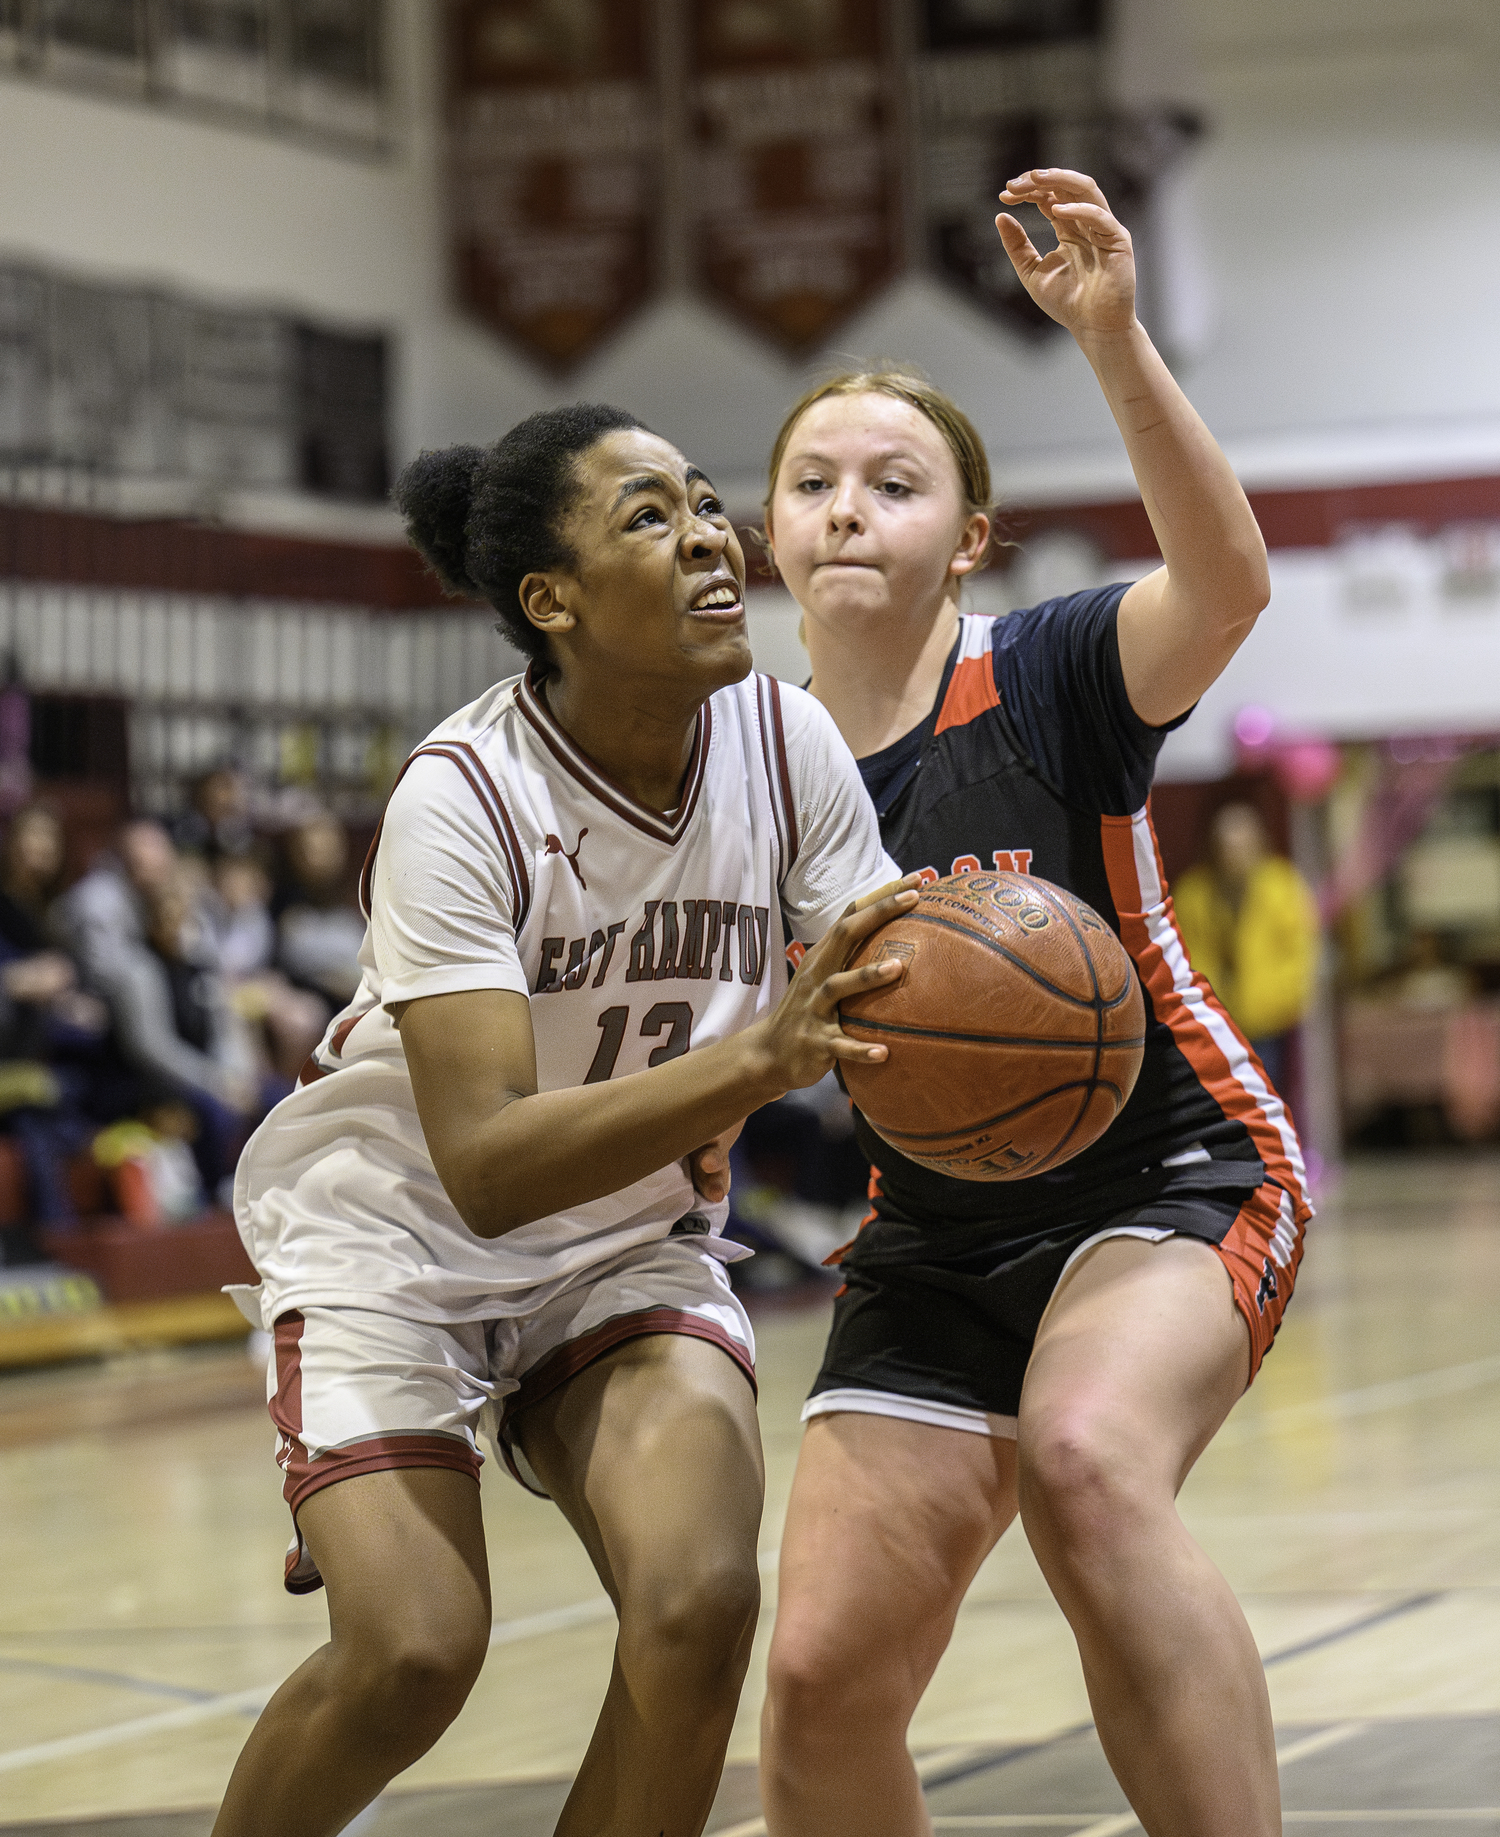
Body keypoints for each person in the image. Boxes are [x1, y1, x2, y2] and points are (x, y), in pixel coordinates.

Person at [212, 404, 911, 1837]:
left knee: (700, 1604)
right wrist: (749, 1067)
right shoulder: (462, 796)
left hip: (621, 1247)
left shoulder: (788, 745)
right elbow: (483, 1166)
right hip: (395, 1245)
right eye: (651, 517)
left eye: (708, 504)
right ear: (553, 599)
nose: (712, 536)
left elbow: (905, 995)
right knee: (413, 1653)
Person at [756, 169, 1312, 1837]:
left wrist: (1114, 339)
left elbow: (1225, 589)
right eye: (815, 482)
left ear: (969, 536)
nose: (851, 508)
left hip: (1173, 1175)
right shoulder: (750, 773)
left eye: (896, 481)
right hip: (930, 1232)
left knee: (1084, 1458)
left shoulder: (1055, 665)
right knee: (818, 1675)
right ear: (770, 529)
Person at [1175, 801, 1319, 1094]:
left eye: (1242, 845)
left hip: (1266, 1022)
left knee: (1265, 1098)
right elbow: (1185, 959)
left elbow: (1299, 954)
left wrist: (1277, 1002)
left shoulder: (1280, 885)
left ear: (1258, 843)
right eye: (1227, 846)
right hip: (1210, 1025)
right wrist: (1207, 1004)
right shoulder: (1193, 894)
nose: (1235, 855)